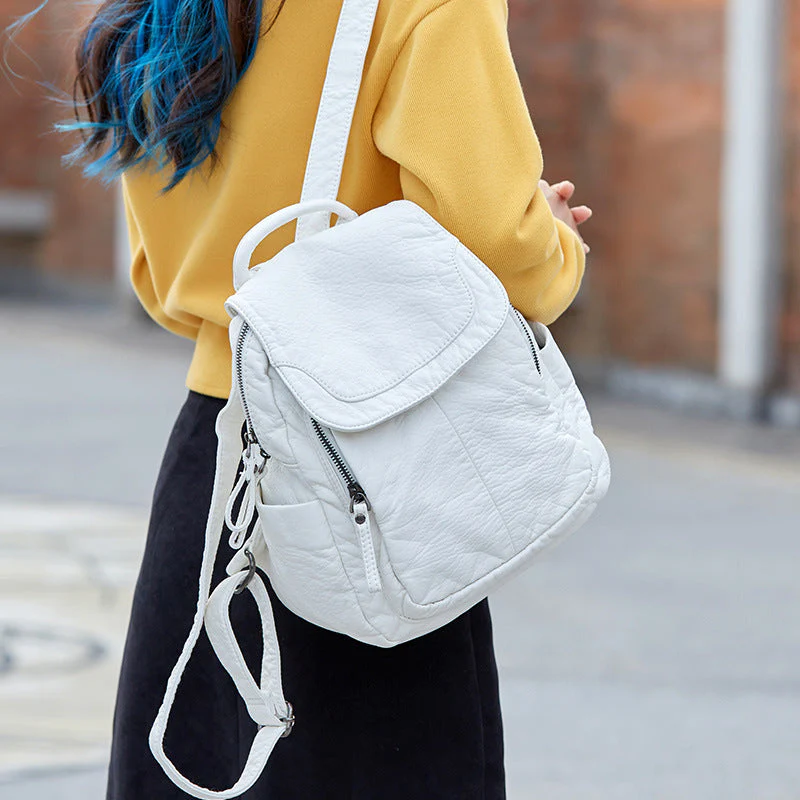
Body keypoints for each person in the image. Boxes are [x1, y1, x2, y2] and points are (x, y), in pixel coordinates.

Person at [65, 0, 592, 796]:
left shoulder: (158, 11)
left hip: (213, 461)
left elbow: (162, 276)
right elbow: (499, 245)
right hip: (365, 464)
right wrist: (556, 244)